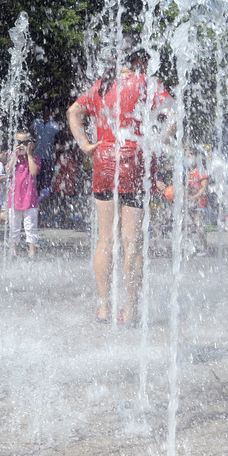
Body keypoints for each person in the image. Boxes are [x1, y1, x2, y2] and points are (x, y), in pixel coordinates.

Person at [67, 39, 173, 324]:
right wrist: (158, 142)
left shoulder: (102, 85)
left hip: (103, 162)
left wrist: (85, 144)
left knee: (105, 239)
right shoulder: (145, 83)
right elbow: (174, 113)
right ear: (137, 60)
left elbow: (72, 111)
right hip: (134, 163)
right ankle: (132, 309)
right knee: (133, 243)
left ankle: (103, 306)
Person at [6, 129, 41, 258]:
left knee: (31, 228)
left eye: (24, 142)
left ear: (31, 143)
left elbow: (33, 172)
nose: (21, 145)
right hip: (14, 199)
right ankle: (13, 252)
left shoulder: (35, 158)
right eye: (18, 142)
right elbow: (8, 172)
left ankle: (31, 253)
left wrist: (29, 154)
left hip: (30, 199)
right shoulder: (13, 158)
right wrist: (14, 157)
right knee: (14, 229)